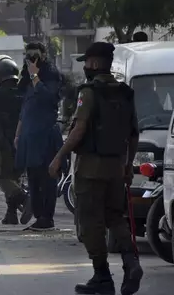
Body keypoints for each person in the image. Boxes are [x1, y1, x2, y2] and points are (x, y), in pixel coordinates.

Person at [48, 42, 142, 295]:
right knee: (115, 217)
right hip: (116, 166)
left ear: (97, 64)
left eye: (87, 63)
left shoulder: (88, 92)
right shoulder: (124, 92)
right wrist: (128, 165)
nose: (85, 67)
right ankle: (131, 261)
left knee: (90, 222)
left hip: (90, 168)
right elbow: (134, 133)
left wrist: (59, 157)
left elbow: (78, 130)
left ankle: (102, 277)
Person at [15, 42, 63, 231]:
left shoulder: (51, 76)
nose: (31, 59)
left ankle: (47, 218)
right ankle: (38, 216)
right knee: (33, 179)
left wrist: (35, 75)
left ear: (43, 55)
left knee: (47, 179)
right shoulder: (27, 78)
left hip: (45, 136)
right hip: (29, 135)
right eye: (28, 56)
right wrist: (18, 134)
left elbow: (49, 99)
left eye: (35, 55)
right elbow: (25, 107)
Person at [0, 56, 32, 225]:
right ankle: (11, 214)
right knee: (14, 177)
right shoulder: (24, 93)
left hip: (3, 141)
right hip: (22, 141)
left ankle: (24, 200)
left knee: (1, 174)